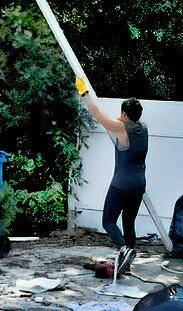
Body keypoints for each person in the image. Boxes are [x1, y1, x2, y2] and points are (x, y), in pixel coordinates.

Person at [76, 77, 148, 276]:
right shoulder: (143, 129)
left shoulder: (123, 128)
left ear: (124, 113)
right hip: (139, 185)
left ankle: (123, 248)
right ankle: (127, 262)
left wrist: (85, 93)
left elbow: (98, 115)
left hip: (121, 184)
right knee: (129, 222)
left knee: (108, 221)